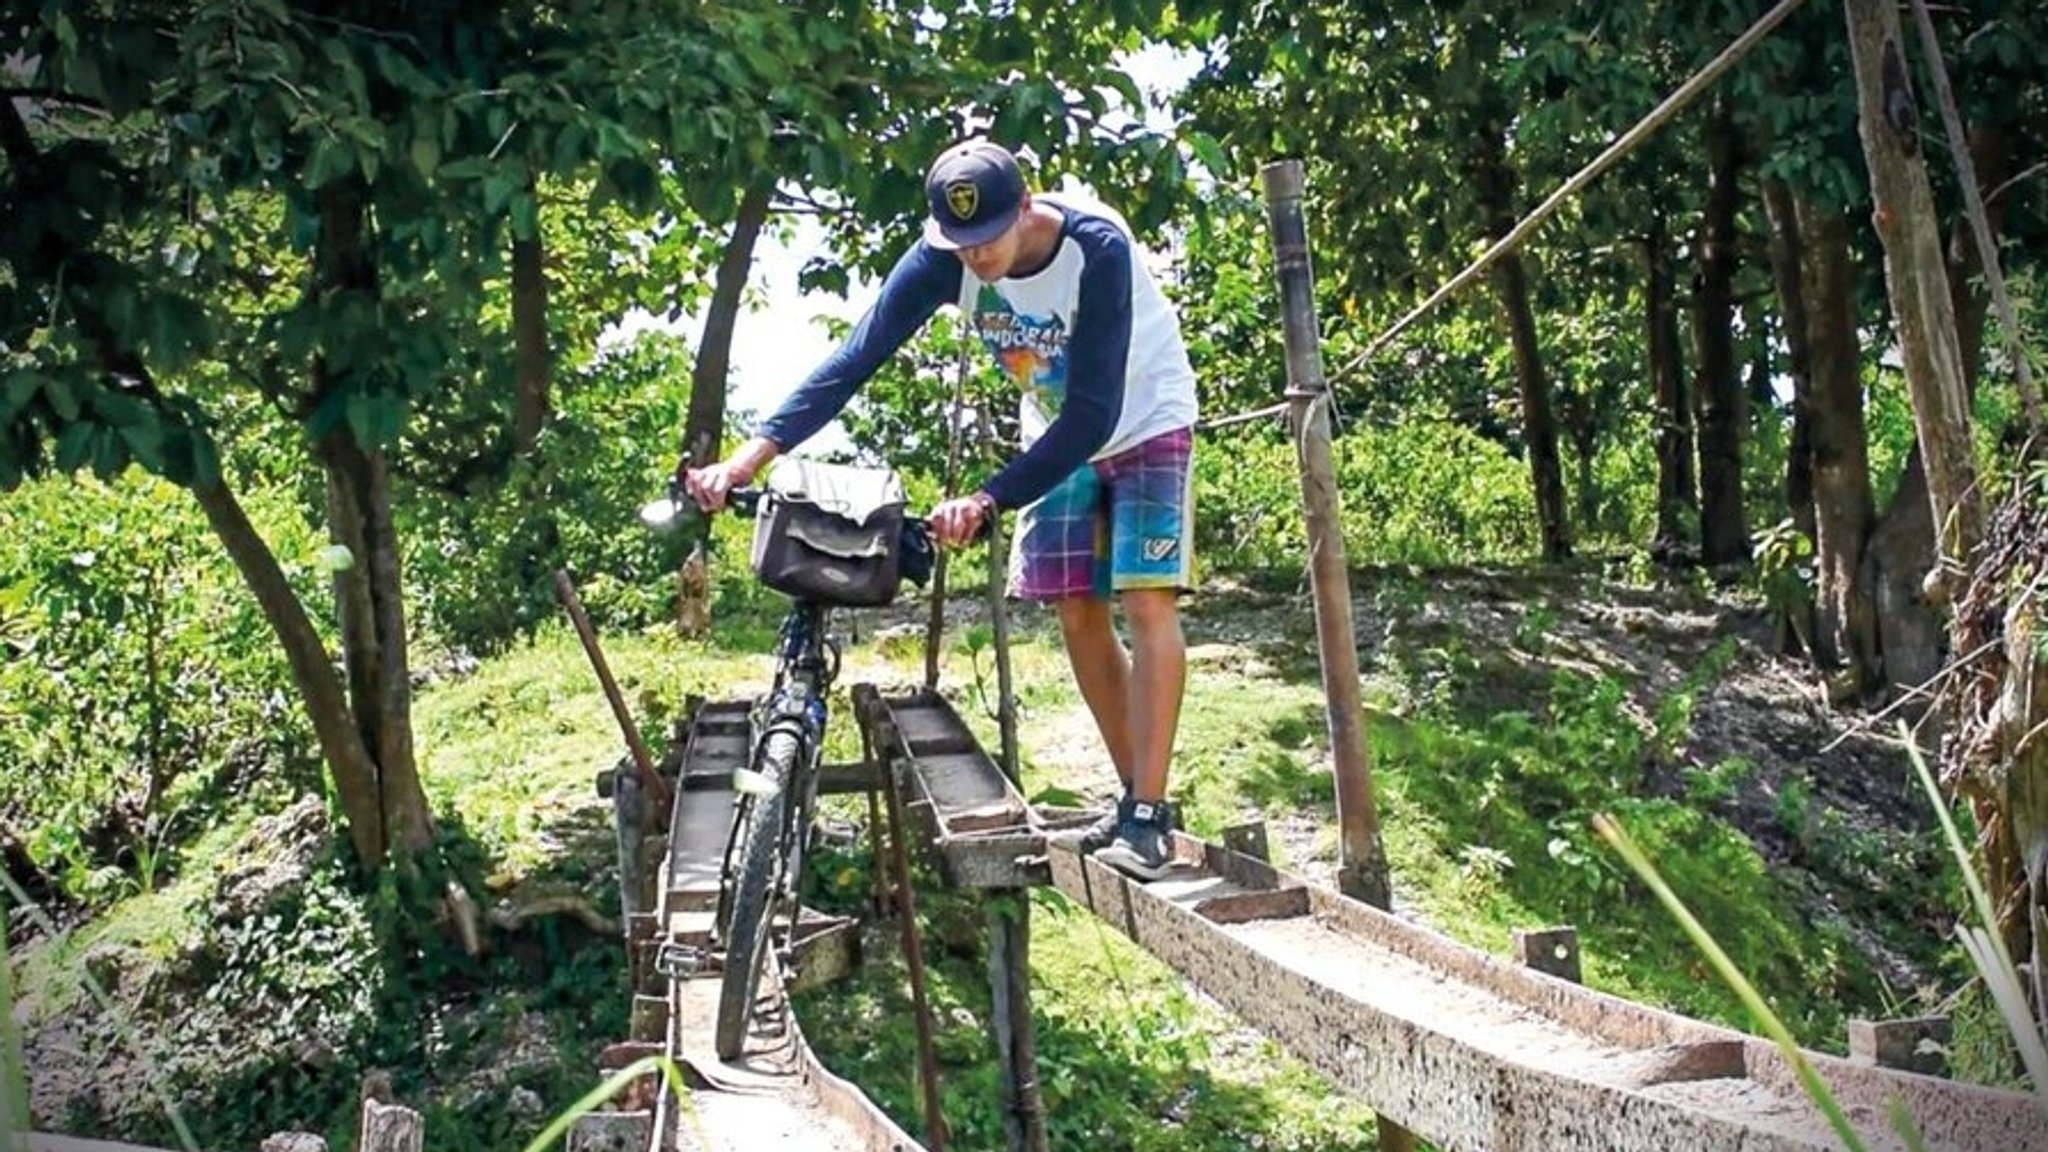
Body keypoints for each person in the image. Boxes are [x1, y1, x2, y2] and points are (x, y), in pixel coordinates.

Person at [685, 138, 1198, 881]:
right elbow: (853, 360)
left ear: (1025, 208)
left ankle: (1149, 814)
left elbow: (1094, 411)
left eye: (988, 238)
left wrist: (990, 498)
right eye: (959, 243)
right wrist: (746, 458)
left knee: (1144, 600)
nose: (977, 257)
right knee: (1074, 610)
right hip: (1052, 433)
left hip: (1144, 416)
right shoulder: (942, 259)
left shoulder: (1096, 248)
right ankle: (1133, 803)